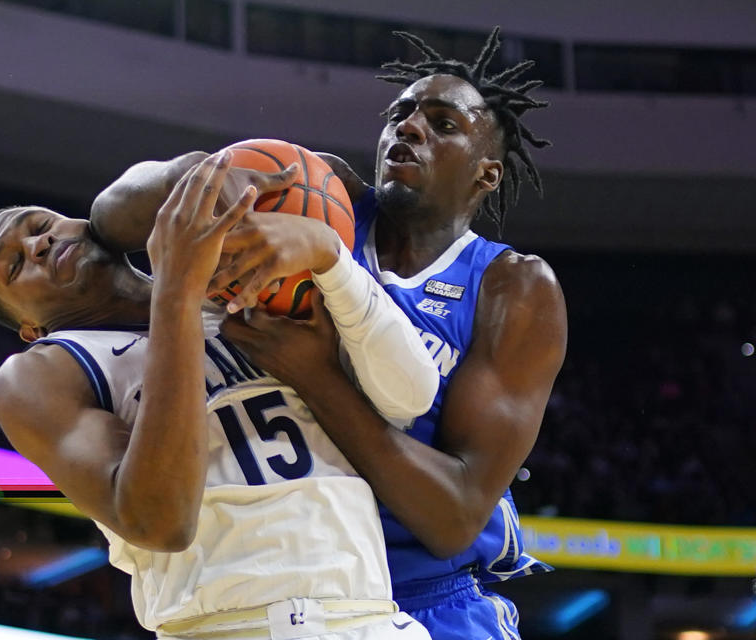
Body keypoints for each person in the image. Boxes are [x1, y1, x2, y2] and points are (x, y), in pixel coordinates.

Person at [99, 27, 567, 640]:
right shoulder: (324, 195)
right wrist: (201, 177)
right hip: (293, 585)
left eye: (443, 123)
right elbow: (109, 216)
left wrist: (315, 374)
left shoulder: (513, 287)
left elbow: (452, 516)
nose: (409, 127)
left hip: (426, 597)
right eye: (400, 114)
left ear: (487, 175)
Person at [0, 152, 438, 640]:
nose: (39, 245)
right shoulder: (42, 372)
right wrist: (175, 292)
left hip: (369, 616)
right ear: (28, 327)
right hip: (229, 628)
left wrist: (329, 253)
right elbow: (158, 522)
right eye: (15, 264)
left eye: (41, 226)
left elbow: (413, 396)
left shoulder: (245, 281)